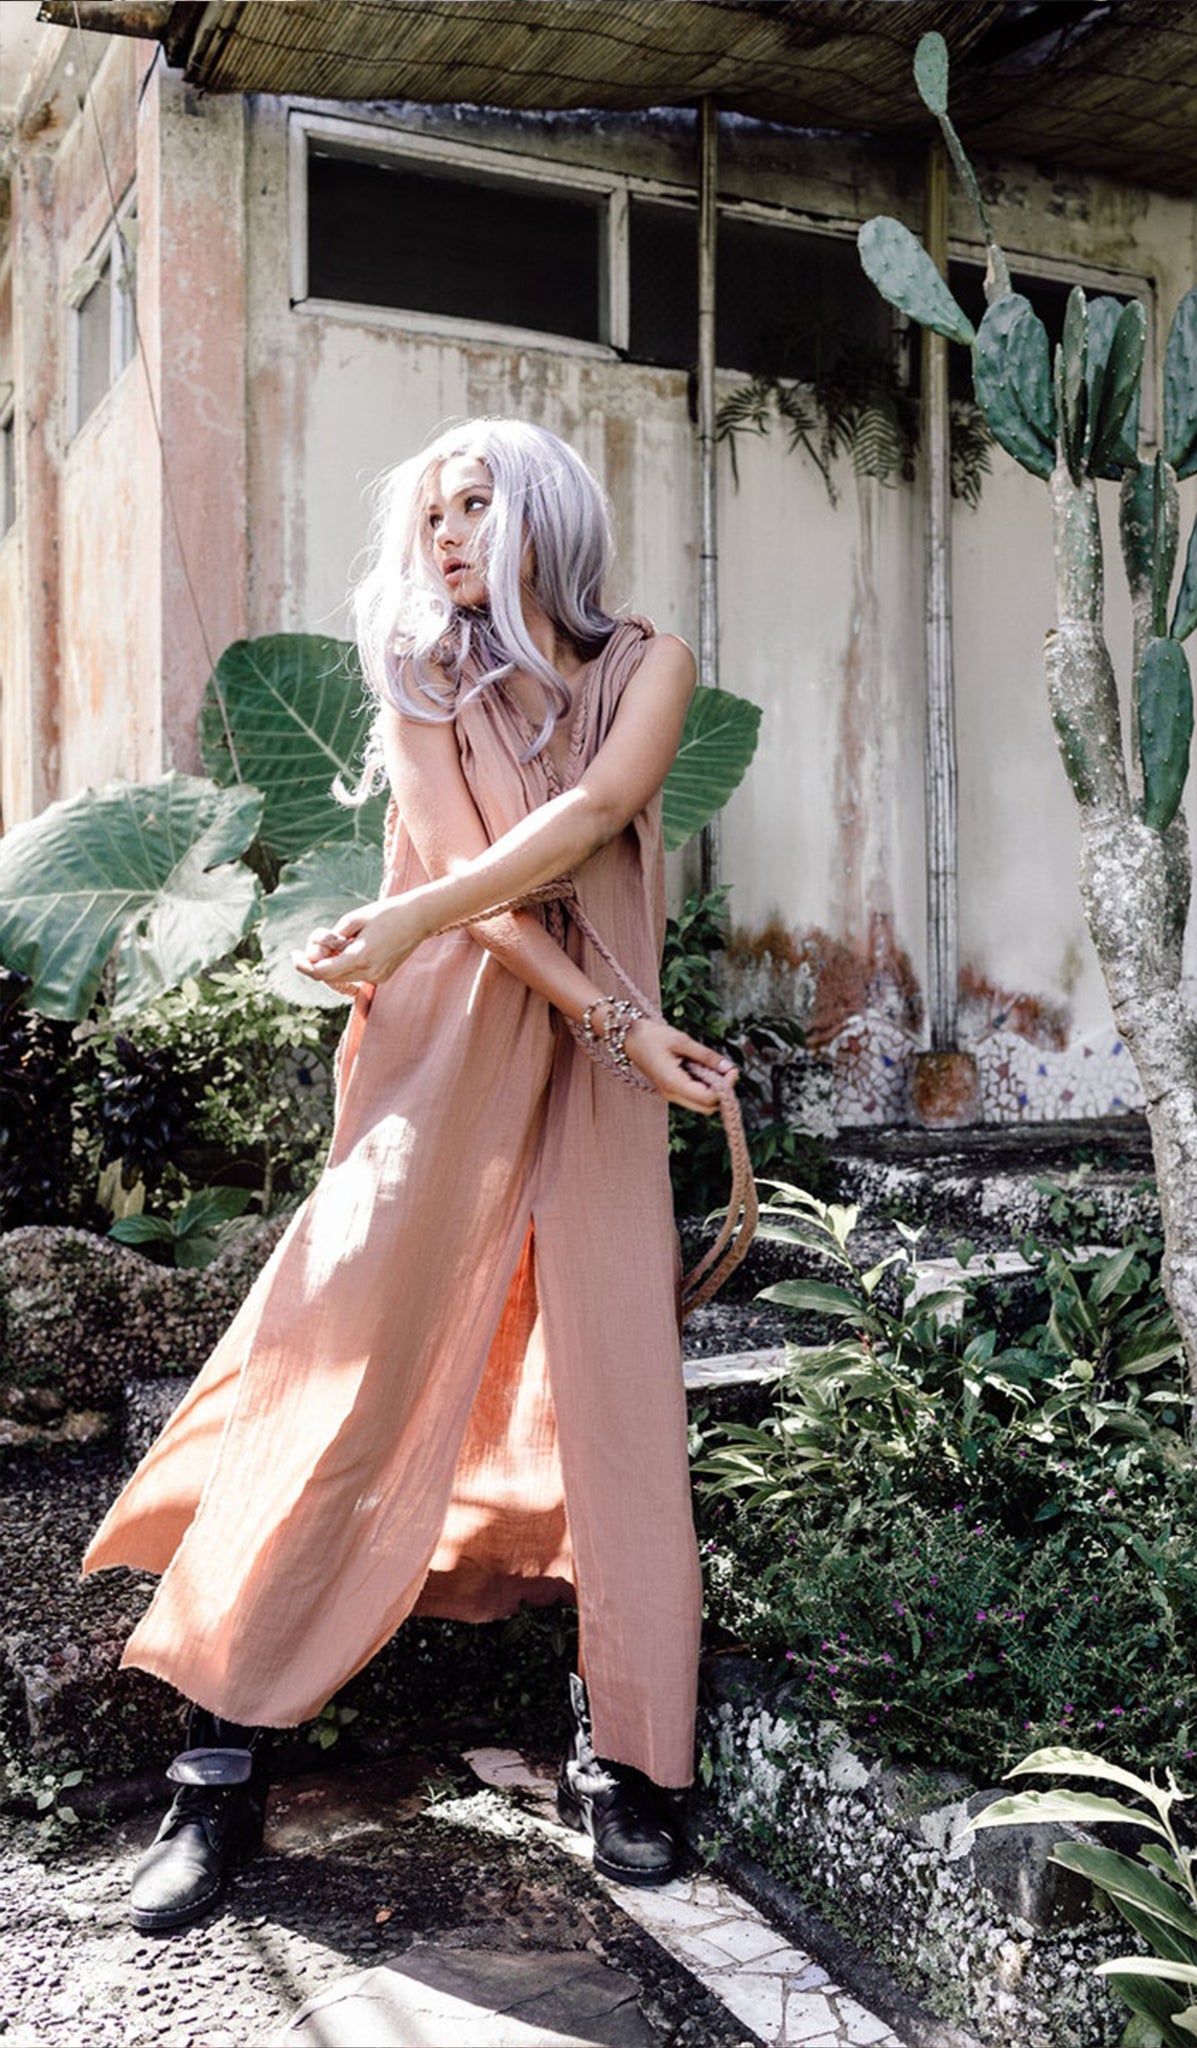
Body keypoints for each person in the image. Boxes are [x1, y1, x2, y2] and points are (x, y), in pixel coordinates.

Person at [83, 417, 737, 1932]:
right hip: (450, 1038)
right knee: (343, 1355)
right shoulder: (418, 667)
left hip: (600, 1059)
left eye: (476, 504)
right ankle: (218, 1770)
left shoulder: (649, 665)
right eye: (431, 514)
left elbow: (585, 824)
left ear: (548, 513)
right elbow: (481, 900)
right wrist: (608, 1016)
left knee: (610, 1381)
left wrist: (613, 1031)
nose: (445, 536)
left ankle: (625, 1754)